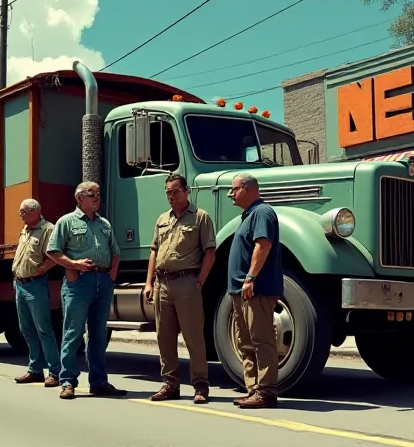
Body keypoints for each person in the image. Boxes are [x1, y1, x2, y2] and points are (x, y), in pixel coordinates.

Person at [46, 181, 128, 400]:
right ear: (79, 198)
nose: (97, 198)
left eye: (99, 194)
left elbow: (116, 252)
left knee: (99, 335)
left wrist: (112, 274)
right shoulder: (66, 222)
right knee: (73, 333)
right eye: (92, 195)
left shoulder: (105, 224)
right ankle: (67, 382)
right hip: (79, 284)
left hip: (103, 282)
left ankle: (99, 382)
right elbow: (52, 251)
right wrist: (74, 265)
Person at [143, 174, 216, 403]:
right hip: (163, 284)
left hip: (187, 283)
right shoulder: (162, 219)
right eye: (168, 192)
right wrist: (149, 282)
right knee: (164, 337)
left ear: (186, 191)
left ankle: (200, 385)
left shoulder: (200, 218)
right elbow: (154, 250)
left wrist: (200, 281)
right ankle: (170, 384)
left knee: (193, 337)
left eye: (175, 191)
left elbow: (210, 252)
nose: (171, 196)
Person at [227, 173, 282, 409]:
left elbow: (263, 244)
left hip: (255, 291)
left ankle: (266, 391)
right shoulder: (248, 215)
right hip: (243, 291)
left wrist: (250, 279)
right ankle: (253, 390)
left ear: (249, 189)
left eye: (235, 189)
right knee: (246, 342)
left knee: (262, 340)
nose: (231, 193)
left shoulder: (262, 212)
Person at [10, 198, 60, 387]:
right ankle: (35, 370)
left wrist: (44, 268)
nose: (20, 215)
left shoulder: (48, 229)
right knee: (26, 329)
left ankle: (54, 372)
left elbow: (55, 254)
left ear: (34, 212)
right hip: (20, 285)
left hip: (35, 284)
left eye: (23, 212)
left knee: (43, 329)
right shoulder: (25, 229)